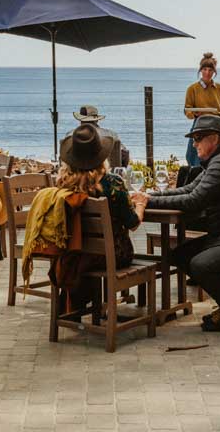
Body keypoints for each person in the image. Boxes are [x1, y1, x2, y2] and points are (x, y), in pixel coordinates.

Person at [132, 115, 220, 332]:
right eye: (194, 138)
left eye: (199, 138)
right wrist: (148, 196)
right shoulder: (219, 159)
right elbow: (188, 189)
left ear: (215, 138)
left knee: (200, 264)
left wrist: (147, 200)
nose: (194, 143)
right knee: (179, 255)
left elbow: (194, 200)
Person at [57, 122, 145, 307]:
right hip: (113, 255)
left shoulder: (63, 185)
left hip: (77, 254)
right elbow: (133, 223)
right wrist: (140, 204)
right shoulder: (113, 183)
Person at [183, 53, 220, 171]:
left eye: (210, 70)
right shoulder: (192, 89)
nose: (207, 73)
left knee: (216, 158)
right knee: (193, 156)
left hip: (216, 127)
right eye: (204, 69)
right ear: (200, 70)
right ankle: (196, 181)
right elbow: (187, 110)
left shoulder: (219, 88)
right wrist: (194, 113)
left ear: (214, 72)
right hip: (200, 125)